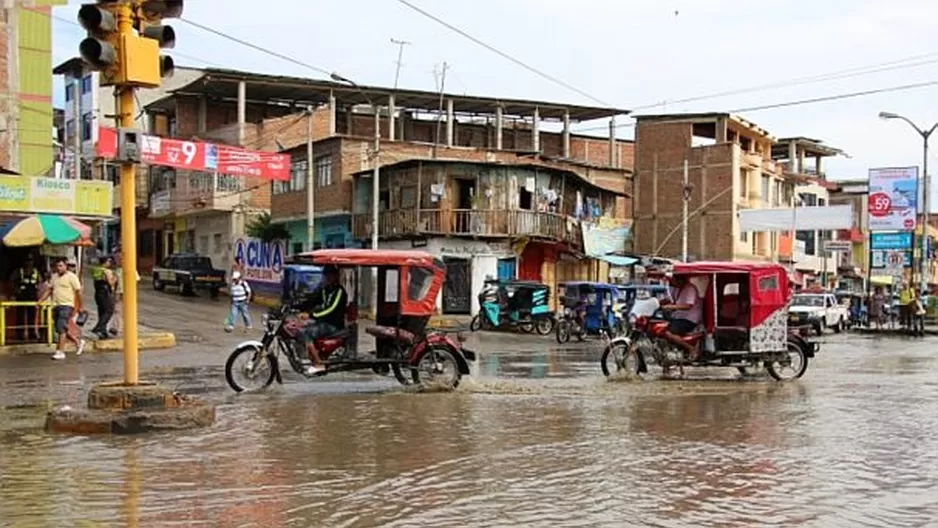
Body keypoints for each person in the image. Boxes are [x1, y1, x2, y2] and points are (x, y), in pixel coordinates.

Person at [297, 265, 348, 374]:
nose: (328, 278)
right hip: (323, 322)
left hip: (333, 324)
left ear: (336, 276)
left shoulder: (339, 291)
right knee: (299, 329)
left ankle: (318, 363)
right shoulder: (325, 290)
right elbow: (313, 300)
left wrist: (311, 315)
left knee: (306, 332)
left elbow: (330, 309)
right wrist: (297, 305)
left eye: (331, 275)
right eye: (326, 275)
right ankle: (310, 356)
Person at [39, 258, 86, 360]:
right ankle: (78, 342)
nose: (59, 268)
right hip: (56, 305)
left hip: (67, 305)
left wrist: (81, 306)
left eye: (61, 266)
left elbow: (79, 292)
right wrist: (41, 300)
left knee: (61, 328)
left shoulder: (72, 277)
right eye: (57, 266)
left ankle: (60, 351)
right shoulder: (54, 277)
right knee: (60, 328)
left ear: (66, 266)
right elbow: (49, 290)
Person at [660, 274, 702, 361]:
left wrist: (670, 307)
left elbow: (688, 306)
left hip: (688, 318)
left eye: (673, 281)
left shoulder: (690, 289)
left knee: (668, 333)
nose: (671, 283)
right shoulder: (676, 289)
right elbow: (671, 300)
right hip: (677, 316)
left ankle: (690, 348)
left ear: (680, 280)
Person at [107, 252, 139, 337]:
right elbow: (114, 283)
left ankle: (128, 328)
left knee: (128, 311)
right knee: (117, 310)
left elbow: (135, 281)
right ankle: (115, 328)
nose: (118, 261)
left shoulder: (132, 269)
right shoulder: (117, 271)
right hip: (119, 292)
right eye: (118, 260)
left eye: (120, 259)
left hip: (128, 293)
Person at [14, 254, 41, 342]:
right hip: (21, 296)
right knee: (20, 316)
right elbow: (12, 281)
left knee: (32, 316)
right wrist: (16, 290)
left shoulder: (36, 272)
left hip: (32, 296)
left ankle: (32, 333)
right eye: (28, 260)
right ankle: (19, 334)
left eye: (31, 260)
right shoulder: (19, 271)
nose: (29, 263)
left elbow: (40, 282)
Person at [90, 256, 117, 339]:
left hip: (98, 292)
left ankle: (103, 332)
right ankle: (98, 327)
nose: (110, 263)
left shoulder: (96, 269)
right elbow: (111, 283)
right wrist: (115, 278)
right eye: (109, 261)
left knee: (102, 311)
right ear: (105, 262)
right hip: (105, 293)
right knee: (109, 311)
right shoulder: (107, 271)